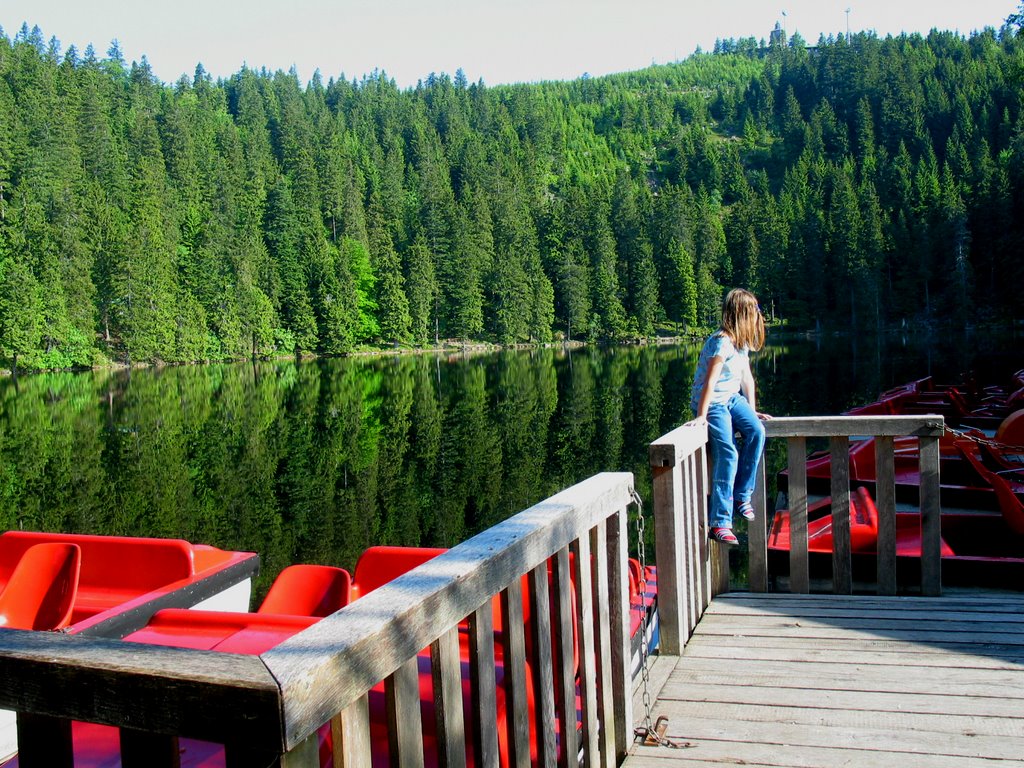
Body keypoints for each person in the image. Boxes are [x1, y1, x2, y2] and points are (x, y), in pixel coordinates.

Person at [690, 288, 769, 546]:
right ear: (741, 314)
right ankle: (720, 522)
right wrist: (702, 415)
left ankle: (741, 495)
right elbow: (710, 382)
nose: (758, 317)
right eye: (754, 312)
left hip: (732, 398)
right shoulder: (722, 341)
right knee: (728, 452)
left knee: (757, 431)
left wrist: (752, 409)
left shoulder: (741, 343)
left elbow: (746, 378)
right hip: (713, 402)